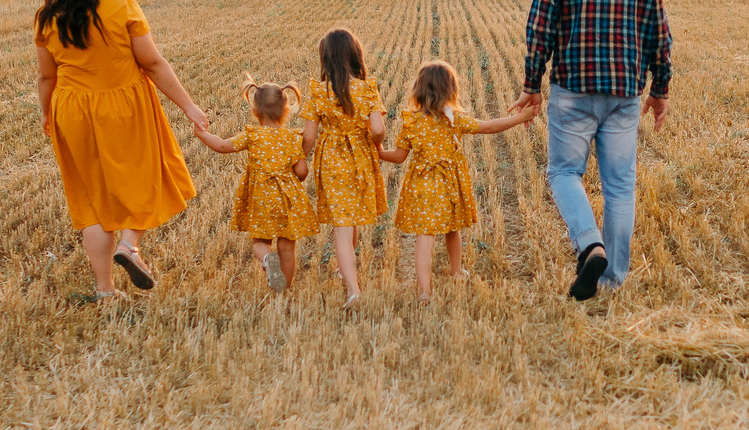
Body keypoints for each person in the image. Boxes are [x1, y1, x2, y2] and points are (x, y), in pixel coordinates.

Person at [520, 0, 673, 301]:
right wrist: (660, 88)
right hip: (624, 92)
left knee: (563, 172)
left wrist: (532, 84)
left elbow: (539, 27)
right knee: (620, 185)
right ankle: (612, 280)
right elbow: (658, 31)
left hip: (574, 89)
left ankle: (590, 245)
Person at [33, 0, 206, 297]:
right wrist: (188, 106)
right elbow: (152, 63)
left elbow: (46, 77)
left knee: (91, 200)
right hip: (123, 107)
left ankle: (105, 289)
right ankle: (129, 245)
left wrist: (47, 114)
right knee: (148, 175)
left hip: (71, 112)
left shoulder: (48, 17)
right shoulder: (123, 8)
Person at [387, 60, 539, 302]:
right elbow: (489, 127)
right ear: (450, 91)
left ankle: (424, 291)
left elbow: (398, 156)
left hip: (422, 186)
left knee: (424, 237)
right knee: (452, 228)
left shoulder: (411, 121)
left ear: (419, 90)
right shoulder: (453, 119)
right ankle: (456, 272)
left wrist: (376, 152)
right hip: (449, 184)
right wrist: (522, 118)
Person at [193, 79, 316, 292]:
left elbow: (222, 146)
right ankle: (284, 290)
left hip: (262, 200)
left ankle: (267, 258)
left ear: (255, 110)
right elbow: (302, 171)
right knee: (287, 248)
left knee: (260, 242)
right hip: (287, 202)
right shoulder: (291, 139)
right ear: (286, 109)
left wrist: (202, 133)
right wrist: (295, 178)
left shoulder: (253, 136)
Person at [305, 26, 390, 305]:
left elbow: (309, 136)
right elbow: (378, 129)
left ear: (325, 59)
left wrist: (300, 159)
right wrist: (375, 144)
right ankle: (347, 277)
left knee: (342, 224)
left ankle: (351, 286)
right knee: (349, 220)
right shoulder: (367, 89)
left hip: (331, 161)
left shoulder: (319, 91)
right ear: (355, 56)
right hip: (359, 159)